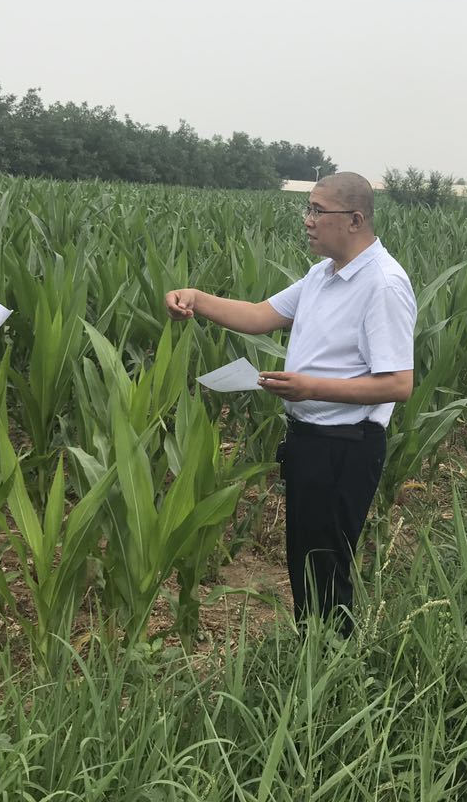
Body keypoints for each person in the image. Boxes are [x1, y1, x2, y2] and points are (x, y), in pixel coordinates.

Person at [165, 172, 416, 633]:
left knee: (326, 568)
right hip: (309, 441)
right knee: (305, 562)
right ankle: (311, 655)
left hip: (346, 445)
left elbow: (398, 383)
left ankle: (332, 661)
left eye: (318, 210)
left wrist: (310, 388)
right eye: (308, 209)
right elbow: (260, 315)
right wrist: (195, 298)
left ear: (355, 220)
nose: (308, 220)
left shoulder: (383, 285)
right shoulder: (323, 275)